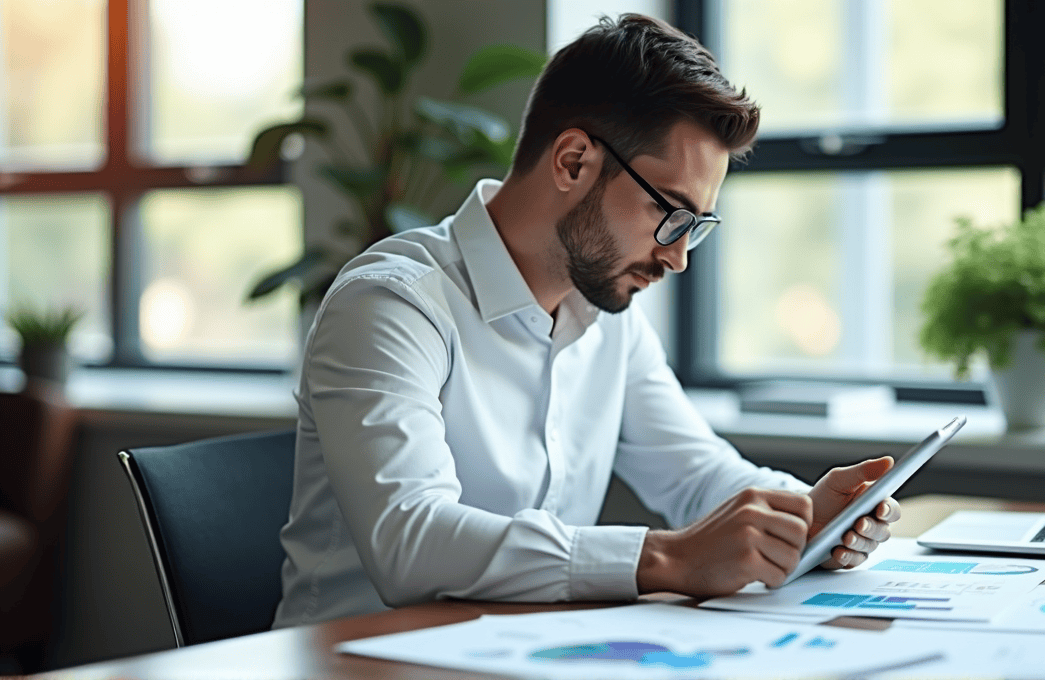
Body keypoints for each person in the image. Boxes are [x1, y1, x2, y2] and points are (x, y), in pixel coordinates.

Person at [273, 13, 900, 629]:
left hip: (521, 655)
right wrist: (666, 557)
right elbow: (411, 542)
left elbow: (697, 473)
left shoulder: (605, 313)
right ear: (573, 161)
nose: (677, 257)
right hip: (357, 663)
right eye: (671, 214)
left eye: (696, 230)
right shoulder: (392, 304)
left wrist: (805, 513)